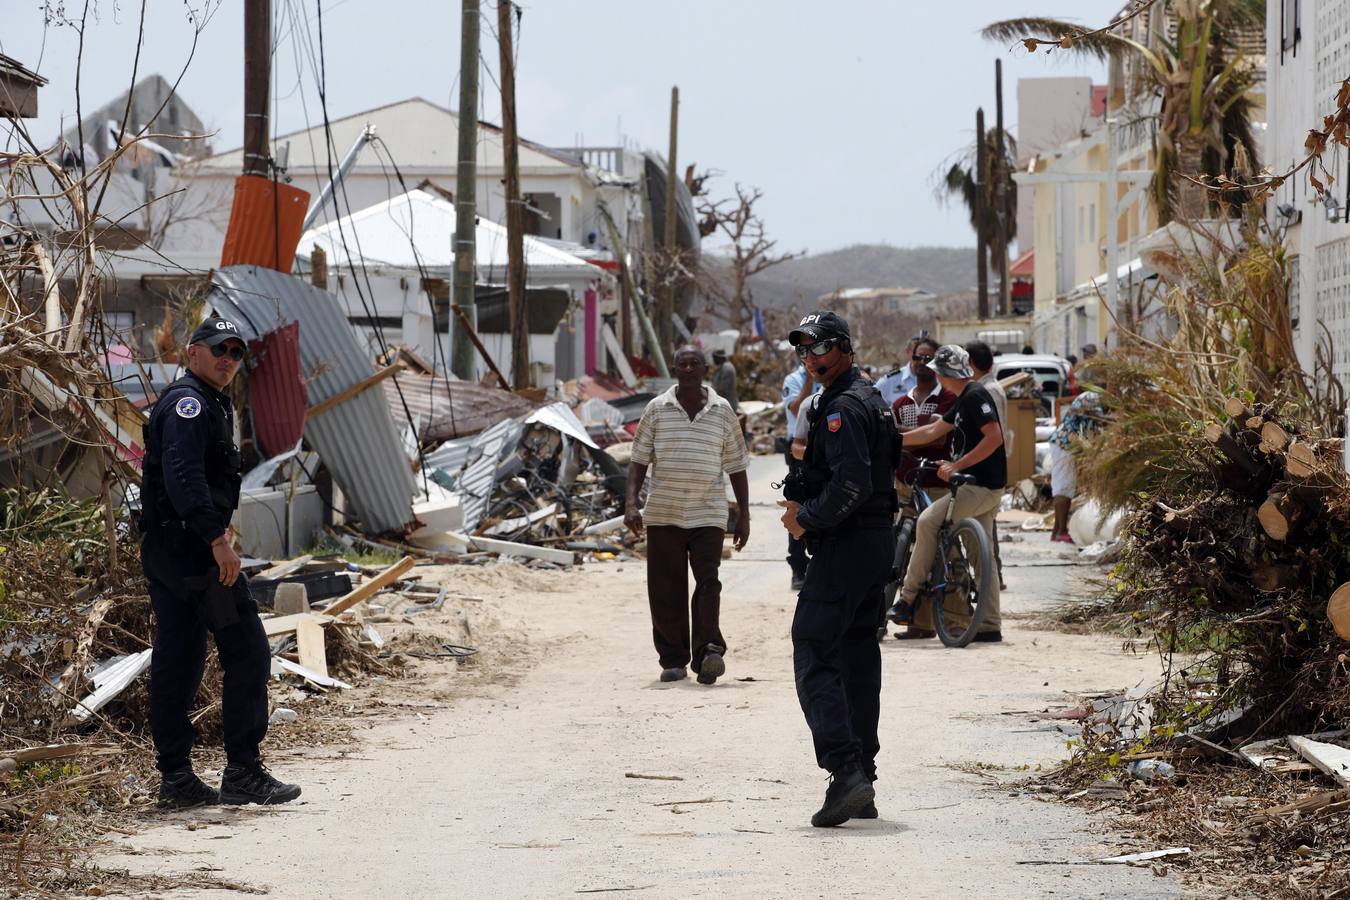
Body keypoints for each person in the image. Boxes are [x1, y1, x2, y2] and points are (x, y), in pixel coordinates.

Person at [140, 317, 301, 809]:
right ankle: (243, 771)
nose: (229, 359)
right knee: (247, 648)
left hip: (171, 549)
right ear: (193, 353)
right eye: (219, 350)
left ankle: (176, 778)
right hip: (193, 553)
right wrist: (216, 538)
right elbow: (183, 474)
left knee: (181, 657)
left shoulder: (206, 401)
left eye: (236, 352)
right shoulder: (190, 404)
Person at [778, 311, 897, 827]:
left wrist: (805, 519)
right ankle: (863, 778)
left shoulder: (844, 406)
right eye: (803, 350)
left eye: (820, 347)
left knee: (812, 645)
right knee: (855, 654)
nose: (811, 358)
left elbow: (852, 486)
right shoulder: (864, 396)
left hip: (848, 543)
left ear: (843, 348)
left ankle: (845, 771)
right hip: (870, 544)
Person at [626, 347, 750, 685]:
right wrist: (631, 504)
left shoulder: (723, 411)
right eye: (682, 363)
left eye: (695, 363)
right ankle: (673, 659)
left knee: (708, 582)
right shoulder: (656, 408)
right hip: (664, 511)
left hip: (708, 511)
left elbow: (737, 466)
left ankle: (710, 650)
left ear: (706, 369)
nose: (689, 368)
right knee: (666, 587)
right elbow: (638, 461)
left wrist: (744, 515)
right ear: (674, 368)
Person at [890, 344, 1007, 643]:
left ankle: (907, 598)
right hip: (981, 485)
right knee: (984, 557)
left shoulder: (975, 395)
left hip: (979, 484)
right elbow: (931, 433)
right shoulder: (963, 398)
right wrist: (893, 441)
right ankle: (990, 624)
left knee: (927, 521)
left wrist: (957, 465)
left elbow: (994, 438)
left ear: (943, 374)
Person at [889, 339, 956, 640]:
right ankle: (916, 623)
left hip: (936, 486)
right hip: (905, 485)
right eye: (918, 357)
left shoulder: (949, 399)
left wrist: (906, 435)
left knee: (940, 553)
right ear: (911, 359)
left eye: (928, 357)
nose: (922, 362)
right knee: (903, 551)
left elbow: (938, 440)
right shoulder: (901, 403)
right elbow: (893, 437)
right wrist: (918, 434)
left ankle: (950, 620)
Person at [966, 341, 1012, 591]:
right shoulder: (987, 386)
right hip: (985, 464)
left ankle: (994, 576)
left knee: (986, 526)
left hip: (986, 467)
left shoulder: (986, 390)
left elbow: (992, 435)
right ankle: (992, 576)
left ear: (971, 363)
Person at [781, 358, 822, 590]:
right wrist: (809, 379)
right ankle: (798, 567)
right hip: (799, 449)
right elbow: (797, 410)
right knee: (797, 505)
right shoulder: (794, 380)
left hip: (827, 451)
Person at [1049, 391, 1104, 544]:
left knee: (1065, 486)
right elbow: (1097, 418)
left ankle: (1056, 531)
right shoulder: (1093, 398)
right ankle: (1061, 532)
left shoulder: (1091, 397)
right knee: (1064, 487)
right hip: (1066, 445)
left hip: (1063, 444)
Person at [874, 336, 922, 408]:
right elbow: (872, 401)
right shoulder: (891, 380)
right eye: (916, 351)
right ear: (907, 351)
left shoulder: (938, 379)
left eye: (926, 355)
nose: (920, 357)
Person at [710, 348, 740, 413]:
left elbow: (722, 389)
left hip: (728, 405)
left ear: (720, 358)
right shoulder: (722, 367)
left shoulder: (727, 369)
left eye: (715, 357)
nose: (713, 360)